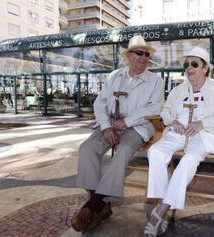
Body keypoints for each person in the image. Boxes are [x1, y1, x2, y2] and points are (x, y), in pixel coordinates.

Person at [71, 35, 165, 232]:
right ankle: (102, 206)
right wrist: (105, 127)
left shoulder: (155, 81)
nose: (143, 57)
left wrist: (127, 121)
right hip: (110, 125)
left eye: (146, 54)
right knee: (87, 148)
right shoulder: (114, 76)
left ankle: (93, 205)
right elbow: (100, 103)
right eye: (139, 52)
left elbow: (155, 107)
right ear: (129, 56)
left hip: (137, 127)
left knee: (122, 151)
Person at [144, 46, 214, 236]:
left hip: (202, 133)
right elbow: (166, 111)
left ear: (205, 68)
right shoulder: (178, 89)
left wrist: (202, 124)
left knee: (189, 159)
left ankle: (161, 210)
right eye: (187, 64)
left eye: (194, 64)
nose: (189, 68)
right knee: (155, 152)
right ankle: (163, 204)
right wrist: (173, 120)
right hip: (177, 131)